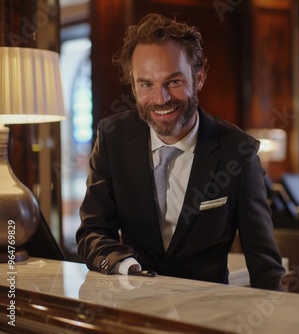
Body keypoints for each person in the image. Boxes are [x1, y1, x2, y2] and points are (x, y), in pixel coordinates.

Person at [76, 13, 285, 290]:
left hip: (207, 318)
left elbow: (265, 268)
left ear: (198, 78)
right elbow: (92, 232)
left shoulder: (239, 151)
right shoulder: (112, 137)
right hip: (135, 310)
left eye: (173, 82)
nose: (160, 99)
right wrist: (126, 265)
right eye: (146, 84)